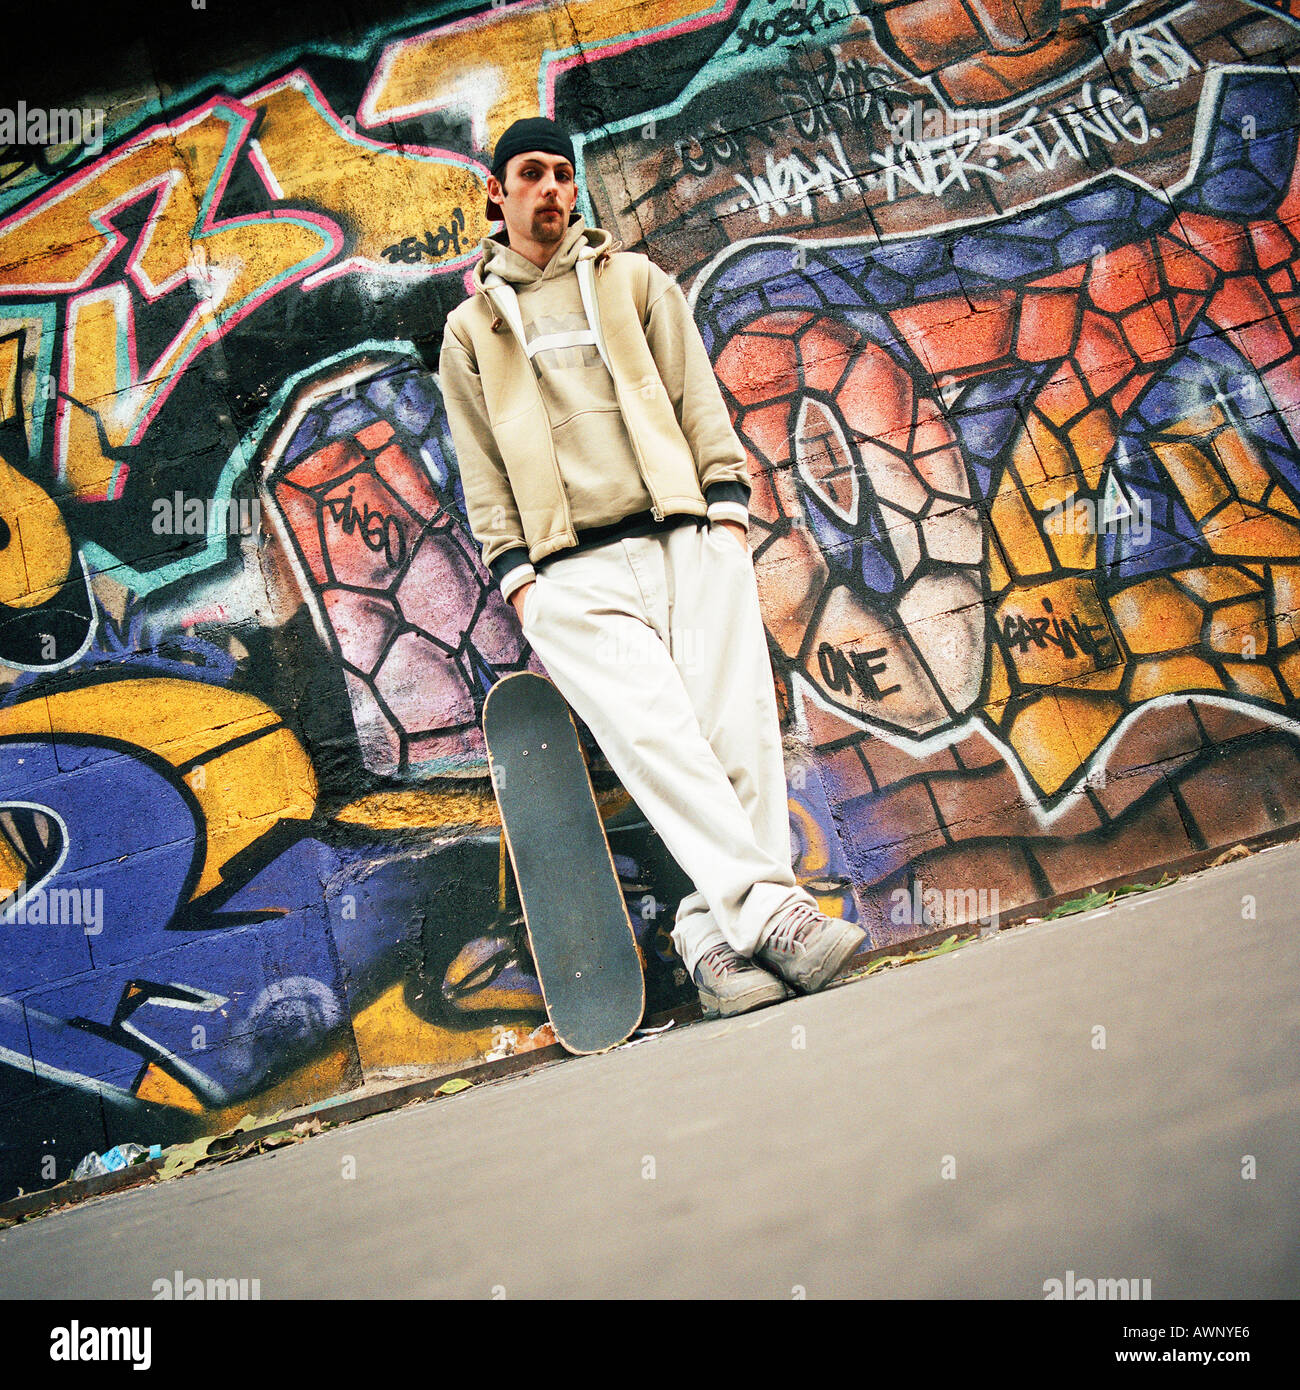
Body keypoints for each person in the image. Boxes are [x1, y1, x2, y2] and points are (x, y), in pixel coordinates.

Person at [438, 117, 866, 1017]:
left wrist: (725, 510)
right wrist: (518, 576)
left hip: (686, 538)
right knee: (663, 746)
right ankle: (777, 920)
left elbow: (695, 397)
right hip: (569, 572)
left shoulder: (635, 283)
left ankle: (709, 940)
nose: (551, 188)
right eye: (531, 174)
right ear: (496, 193)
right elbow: (480, 464)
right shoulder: (470, 331)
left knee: (737, 737)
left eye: (563, 172)